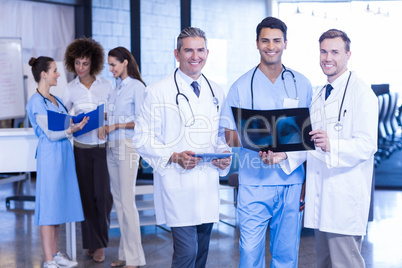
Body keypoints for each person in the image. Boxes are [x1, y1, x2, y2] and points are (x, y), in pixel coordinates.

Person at [269, 29, 378, 268]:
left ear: (348, 55)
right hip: (321, 199)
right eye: (323, 51)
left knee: (345, 263)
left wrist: (332, 144)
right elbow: (310, 141)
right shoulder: (319, 95)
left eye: (335, 52)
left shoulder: (362, 93)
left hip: (344, 199)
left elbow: (367, 146)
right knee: (325, 264)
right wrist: (284, 155)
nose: (328, 57)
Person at [132, 27, 231, 268]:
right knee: (187, 252)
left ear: (207, 53)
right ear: (177, 54)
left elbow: (220, 136)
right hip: (177, 182)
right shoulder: (156, 91)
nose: (195, 56)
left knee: (201, 252)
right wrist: (174, 156)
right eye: (188, 50)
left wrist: (223, 155)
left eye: (200, 50)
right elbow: (142, 138)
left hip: (207, 183)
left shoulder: (216, 90)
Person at [220, 17, 313, 267]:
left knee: (286, 253)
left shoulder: (301, 84)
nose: (271, 46)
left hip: (290, 181)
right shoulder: (240, 86)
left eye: (276, 40)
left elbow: (311, 136)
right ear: (257, 43)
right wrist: (254, 141)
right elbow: (225, 133)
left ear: (285, 43)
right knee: (250, 253)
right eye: (265, 41)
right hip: (253, 182)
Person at [26, 56, 88, 268]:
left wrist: (80, 122)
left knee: (59, 204)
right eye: (54, 71)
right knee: (49, 207)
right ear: (43, 74)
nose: (58, 74)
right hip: (50, 156)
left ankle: (55, 253)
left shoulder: (56, 100)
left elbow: (65, 123)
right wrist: (71, 129)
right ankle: (48, 259)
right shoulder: (36, 102)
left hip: (63, 155)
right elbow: (51, 134)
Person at [63, 37, 113, 263]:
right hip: (80, 149)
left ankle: (100, 243)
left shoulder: (107, 86)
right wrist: (74, 123)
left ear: (93, 63)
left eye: (84, 63)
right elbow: (64, 119)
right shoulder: (69, 89)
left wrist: (104, 119)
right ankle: (93, 244)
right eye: (77, 63)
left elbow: (115, 113)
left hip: (102, 148)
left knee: (102, 196)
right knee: (85, 196)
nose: (80, 68)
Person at [98, 46, 146, 268]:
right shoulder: (116, 89)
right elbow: (110, 114)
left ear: (125, 62)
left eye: (113, 64)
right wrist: (104, 124)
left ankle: (135, 259)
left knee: (127, 201)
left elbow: (142, 122)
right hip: (111, 146)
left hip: (127, 146)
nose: (110, 69)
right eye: (109, 65)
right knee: (118, 202)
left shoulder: (137, 87)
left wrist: (116, 125)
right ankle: (125, 254)